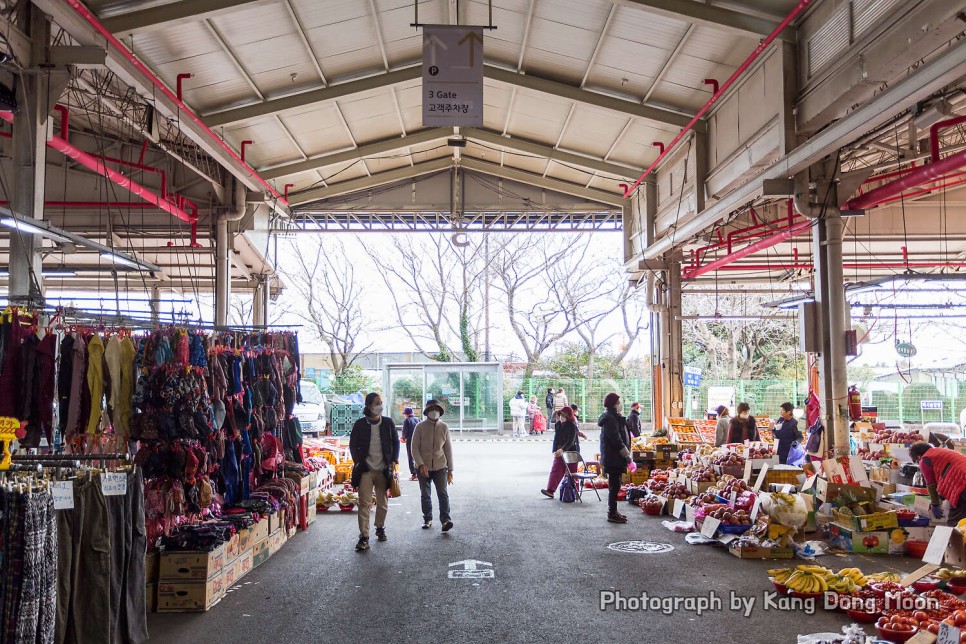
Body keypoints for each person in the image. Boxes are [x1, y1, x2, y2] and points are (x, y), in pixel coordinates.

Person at [349, 392, 400, 552]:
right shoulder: (359, 424)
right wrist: (358, 461)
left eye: (381, 402)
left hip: (383, 470)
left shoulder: (388, 423)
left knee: (382, 502)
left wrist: (393, 460)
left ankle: (380, 527)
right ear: (369, 406)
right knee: (364, 503)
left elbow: (396, 443)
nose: (380, 406)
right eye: (377, 403)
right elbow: (353, 445)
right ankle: (364, 537)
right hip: (366, 470)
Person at [411, 399, 454, 531]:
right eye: (431, 410)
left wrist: (450, 469)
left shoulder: (444, 427)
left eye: (436, 410)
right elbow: (414, 448)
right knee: (425, 494)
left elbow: (448, 449)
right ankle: (427, 519)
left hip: (441, 467)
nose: (434, 412)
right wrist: (421, 465)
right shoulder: (420, 427)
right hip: (423, 467)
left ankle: (446, 520)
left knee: (443, 493)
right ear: (427, 412)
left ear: (440, 412)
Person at [909, 441, 966, 525]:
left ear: (918, 456)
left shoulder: (925, 460)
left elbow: (931, 485)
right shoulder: (940, 452)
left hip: (962, 484)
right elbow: (945, 475)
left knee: (955, 521)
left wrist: (935, 504)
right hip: (962, 481)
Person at [599, 392, 630, 524]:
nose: (620, 404)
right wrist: (626, 454)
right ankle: (612, 512)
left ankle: (614, 511)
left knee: (615, 485)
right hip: (614, 457)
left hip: (613, 457)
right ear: (613, 404)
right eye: (618, 402)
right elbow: (616, 439)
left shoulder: (613, 417)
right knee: (614, 486)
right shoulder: (610, 419)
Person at [541, 406, 580, 498]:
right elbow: (556, 439)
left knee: (572, 472)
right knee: (556, 470)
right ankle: (550, 490)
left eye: (563, 414)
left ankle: (575, 492)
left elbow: (571, 440)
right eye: (560, 414)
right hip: (559, 452)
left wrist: (563, 449)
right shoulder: (558, 424)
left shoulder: (572, 426)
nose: (561, 416)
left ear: (568, 415)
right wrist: (555, 450)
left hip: (571, 452)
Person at [400, 407, 419, 480]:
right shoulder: (417, 419)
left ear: (406, 414)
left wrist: (403, 438)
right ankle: (419, 473)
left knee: (410, 457)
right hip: (418, 440)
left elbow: (404, 431)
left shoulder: (407, 420)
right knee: (417, 456)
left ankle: (414, 474)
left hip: (410, 440)